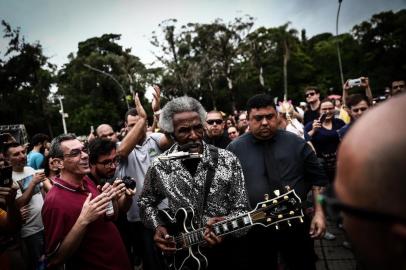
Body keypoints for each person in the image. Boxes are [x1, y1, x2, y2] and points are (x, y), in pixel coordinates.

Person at [139, 96, 250, 270]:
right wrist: (158, 226)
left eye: (198, 128)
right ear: (170, 134)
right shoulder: (160, 166)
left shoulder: (228, 160)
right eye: (184, 130)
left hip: (227, 255)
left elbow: (243, 210)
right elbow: (145, 202)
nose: (193, 136)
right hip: (184, 260)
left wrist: (227, 225)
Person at [227, 93, 328, 270]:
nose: (265, 122)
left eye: (269, 117)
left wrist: (319, 213)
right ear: (248, 120)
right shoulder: (234, 149)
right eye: (258, 118)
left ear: (277, 116)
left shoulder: (296, 143)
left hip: (297, 224)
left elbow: (318, 181)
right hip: (255, 229)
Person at [334, 93, 406, 270]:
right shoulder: (343, 133)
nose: (360, 112)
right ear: (349, 112)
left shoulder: (391, 130)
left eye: (363, 108)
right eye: (356, 109)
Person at [41, 134, 131, 269]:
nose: (84, 155)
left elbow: (111, 217)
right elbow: (55, 259)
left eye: (83, 150)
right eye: (75, 153)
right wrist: (83, 220)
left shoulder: (86, 180)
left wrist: (110, 199)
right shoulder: (54, 202)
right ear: (58, 163)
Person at [116, 87, 172, 270]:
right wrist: (143, 119)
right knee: (152, 263)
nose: (136, 128)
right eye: (132, 125)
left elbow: (171, 137)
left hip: (166, 211)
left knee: (174, 257)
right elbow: (122, 151)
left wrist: (157, 111)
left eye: (139, 123)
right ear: (125, 127)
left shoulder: (153, 139)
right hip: (140, 219)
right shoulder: (120, 147)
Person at [5, 142, 48, 269]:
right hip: (30, 231)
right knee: (40, 264)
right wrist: (33, 183)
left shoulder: (30, 169)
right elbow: (17, 204)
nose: (22, 156)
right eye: (16, 154)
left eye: (23, 152)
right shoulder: (9, 179)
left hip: (46, 224)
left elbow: (41, 192)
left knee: (51, 259)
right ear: (7, 159)